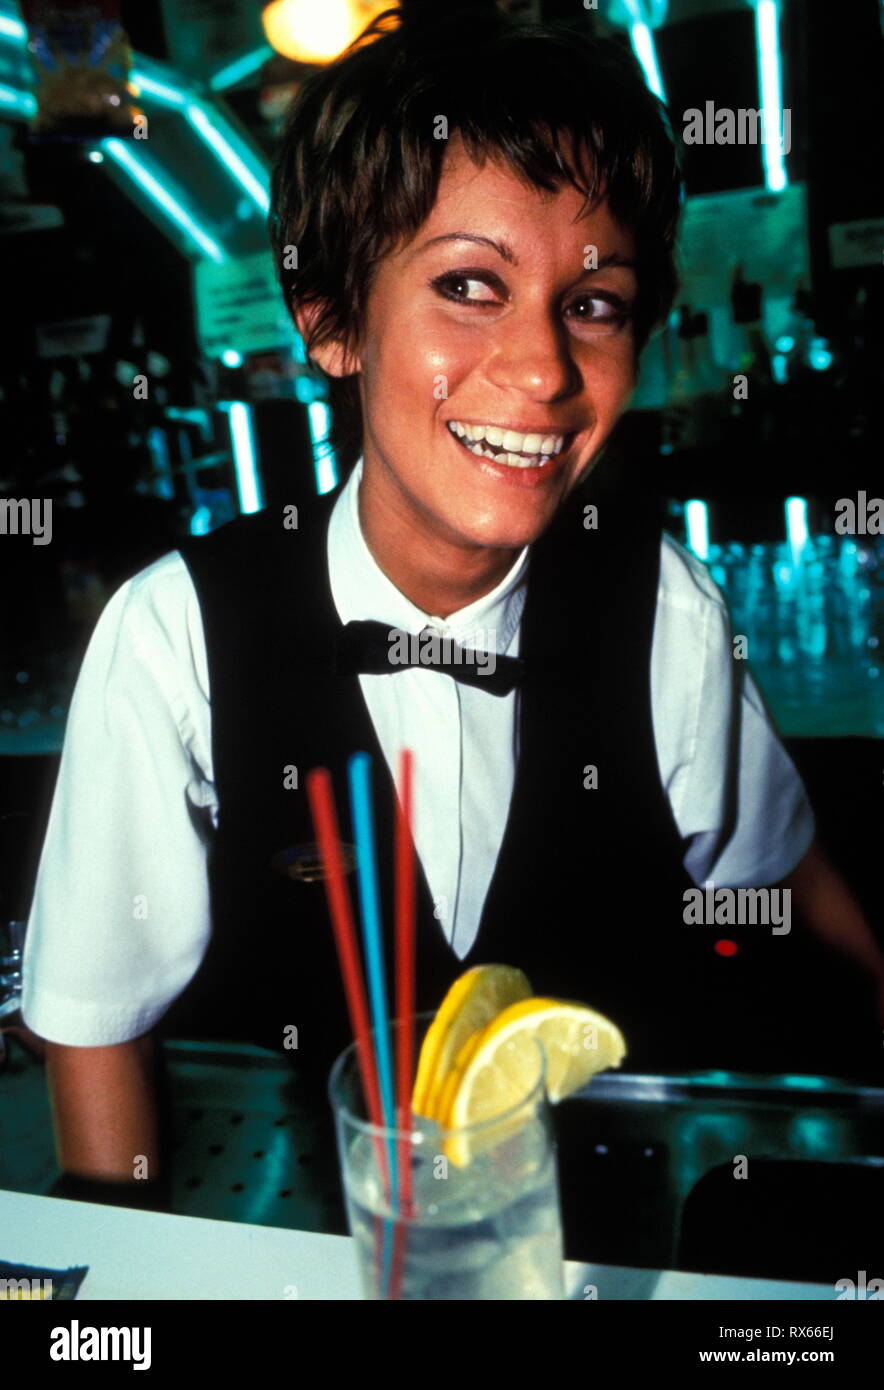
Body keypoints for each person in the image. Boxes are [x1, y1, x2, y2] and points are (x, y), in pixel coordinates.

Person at [21, 8, 884, 1240]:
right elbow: (97, 1022)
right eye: (467, 285)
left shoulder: (663, 604)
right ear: (330, 317)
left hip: (601, 1239)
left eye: (593, 302)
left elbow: (778, 881)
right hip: (305, 1240)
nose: (540, 367)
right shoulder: (173, 635)